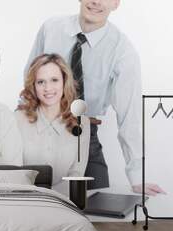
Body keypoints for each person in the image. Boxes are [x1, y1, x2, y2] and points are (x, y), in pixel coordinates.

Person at [24, 0, 165, 195]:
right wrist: (21, 127)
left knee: (97, 209)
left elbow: (129, 115)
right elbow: (30, 81)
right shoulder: (51, 28)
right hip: (39, 130)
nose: (96, 2)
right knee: (34, 204)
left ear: (116, 3)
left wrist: (137, 174)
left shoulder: (122, 51)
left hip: (83, 135)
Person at [16, 53, 90, 194]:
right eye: (41, 82)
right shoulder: (17, 119)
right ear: (33, 85)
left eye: (54, 80)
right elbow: (15, 173)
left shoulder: (82, 123)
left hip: (64, 202)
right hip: (27, 201)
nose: (48, 88)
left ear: (64, 81)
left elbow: (76, 174)